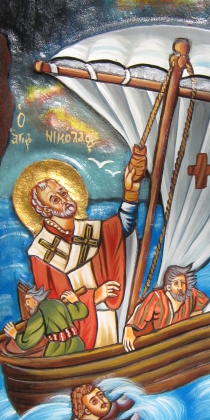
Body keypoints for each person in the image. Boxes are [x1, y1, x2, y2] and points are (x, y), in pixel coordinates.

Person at [28, 147, 146, 350]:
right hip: (76, 332)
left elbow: (121, 227)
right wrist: (94, 296)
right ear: (46, 211)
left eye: (63, 192)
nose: (64, 199)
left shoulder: (90, 230)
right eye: (55, 199)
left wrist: (131, 190)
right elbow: (50, 307)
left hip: (106, 321)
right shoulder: (40, 251)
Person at [123, 264, 207, 352]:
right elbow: (139, 315)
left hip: (183, 345)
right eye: (176, 283)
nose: (180, 287)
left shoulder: (191, 295)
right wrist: (128, 329)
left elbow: (207, 306)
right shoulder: (156, 298)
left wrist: (196, 315)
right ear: (168, 287)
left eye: (183, 283)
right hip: (161, 347)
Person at [4, 284, 88, 357]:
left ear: (35, 301)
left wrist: (15, 334)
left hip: (57, 352)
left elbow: (27, 342)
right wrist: (75, 301)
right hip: (78, 346)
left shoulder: (40, 312)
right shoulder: (58, 304)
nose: (26, 304)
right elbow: (82, 312)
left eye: (28, 301)